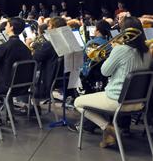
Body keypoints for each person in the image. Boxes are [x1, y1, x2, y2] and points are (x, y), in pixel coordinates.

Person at [73, 17, 151, 147]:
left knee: (78, 102)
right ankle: (110, 133)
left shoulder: (120, 50)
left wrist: (114, 51)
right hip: (139, 102)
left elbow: (105, 72)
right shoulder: (147, 53)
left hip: (117, 99)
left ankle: (107, 127)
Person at [33, 17, 67, 99]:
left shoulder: (50, 44)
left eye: (49, 26)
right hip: (65, 77)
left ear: (54, 28)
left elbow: (35, 58)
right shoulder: (67, 41)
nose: (47, 28)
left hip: (51, 78)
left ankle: (34, 107)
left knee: (27, 76)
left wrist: (30, 47)